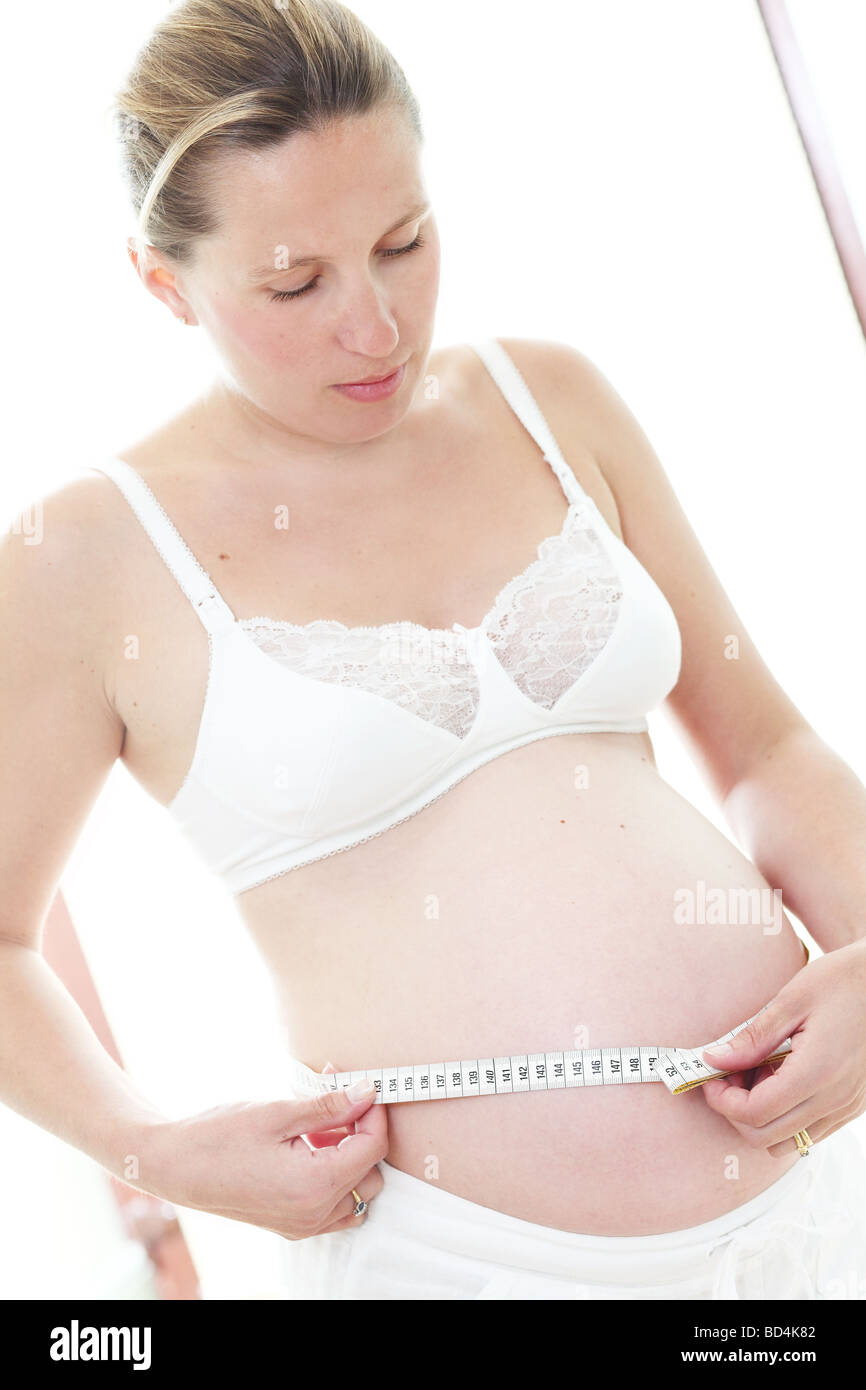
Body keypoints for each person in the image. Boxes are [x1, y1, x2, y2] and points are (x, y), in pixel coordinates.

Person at [3, 0, 866, 1301]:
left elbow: (769, 746)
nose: (378, 324)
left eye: (403, 242)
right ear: (163, 283)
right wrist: (155, 1149)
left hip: (805, 1217)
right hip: (457, 1262)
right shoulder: (83, 555)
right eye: (296, 282)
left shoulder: (548, 396)